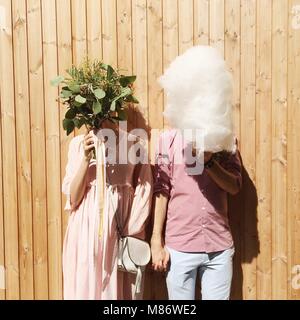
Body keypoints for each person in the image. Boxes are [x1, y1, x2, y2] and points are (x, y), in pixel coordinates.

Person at [61, 120, 153, 299]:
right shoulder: (78, 144)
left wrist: (128, 233)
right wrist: (86, 158)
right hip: (85, 233)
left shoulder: (134, 143)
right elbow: (73, 198)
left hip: (119, 234)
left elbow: (144, 191)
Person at [150, 128, 242, 300]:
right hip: (179, 248)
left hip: (218, 247)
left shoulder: (225, 138)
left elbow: (234, 186)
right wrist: (156, 240)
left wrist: (209, 162)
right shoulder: (167, 139)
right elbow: (161, 189)